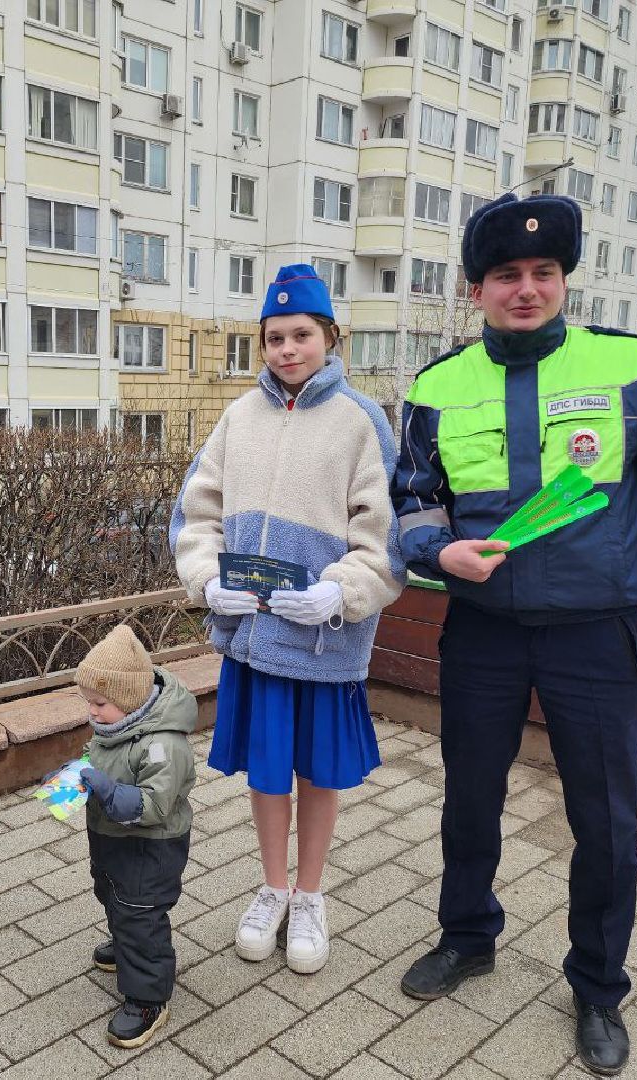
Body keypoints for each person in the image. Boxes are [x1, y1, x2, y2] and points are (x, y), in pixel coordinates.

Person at [390, 194, 637, 1076]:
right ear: (476, 289)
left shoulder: (631, 370)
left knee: (605, 821)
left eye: (543, 274)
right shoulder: (437, 385)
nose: (526, 289)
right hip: (483, 633)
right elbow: (411, 499)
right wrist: (439, 550)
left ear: (563, 280)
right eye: (507, 275)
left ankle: (597, 987)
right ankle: (469, 936)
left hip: (597, 634)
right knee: (469, 800)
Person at [170, 264, 406, 975]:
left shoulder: (362, 421)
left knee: (318, 773)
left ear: (331, 338)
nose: (287, 349)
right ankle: (271, 888)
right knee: (269, 772)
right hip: (254, 636)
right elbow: (196, 513)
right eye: (274, 337)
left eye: (302, 334)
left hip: (324, 638)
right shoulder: (239, 416)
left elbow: (387, 535)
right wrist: (208, 581)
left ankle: (310, 895)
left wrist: (343, 592)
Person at [74, 624, 196, 1049]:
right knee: (111, 894)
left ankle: (148, 997)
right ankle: (126, 943)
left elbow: (156, 805)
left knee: (140, 912)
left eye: (100, 703)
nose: (91, 711)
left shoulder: (163, 745)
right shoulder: (116, 725)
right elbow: (102, 757)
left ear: (129, 700)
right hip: (110, 837)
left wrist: (108, 790)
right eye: (87, 701)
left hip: (150, 845)